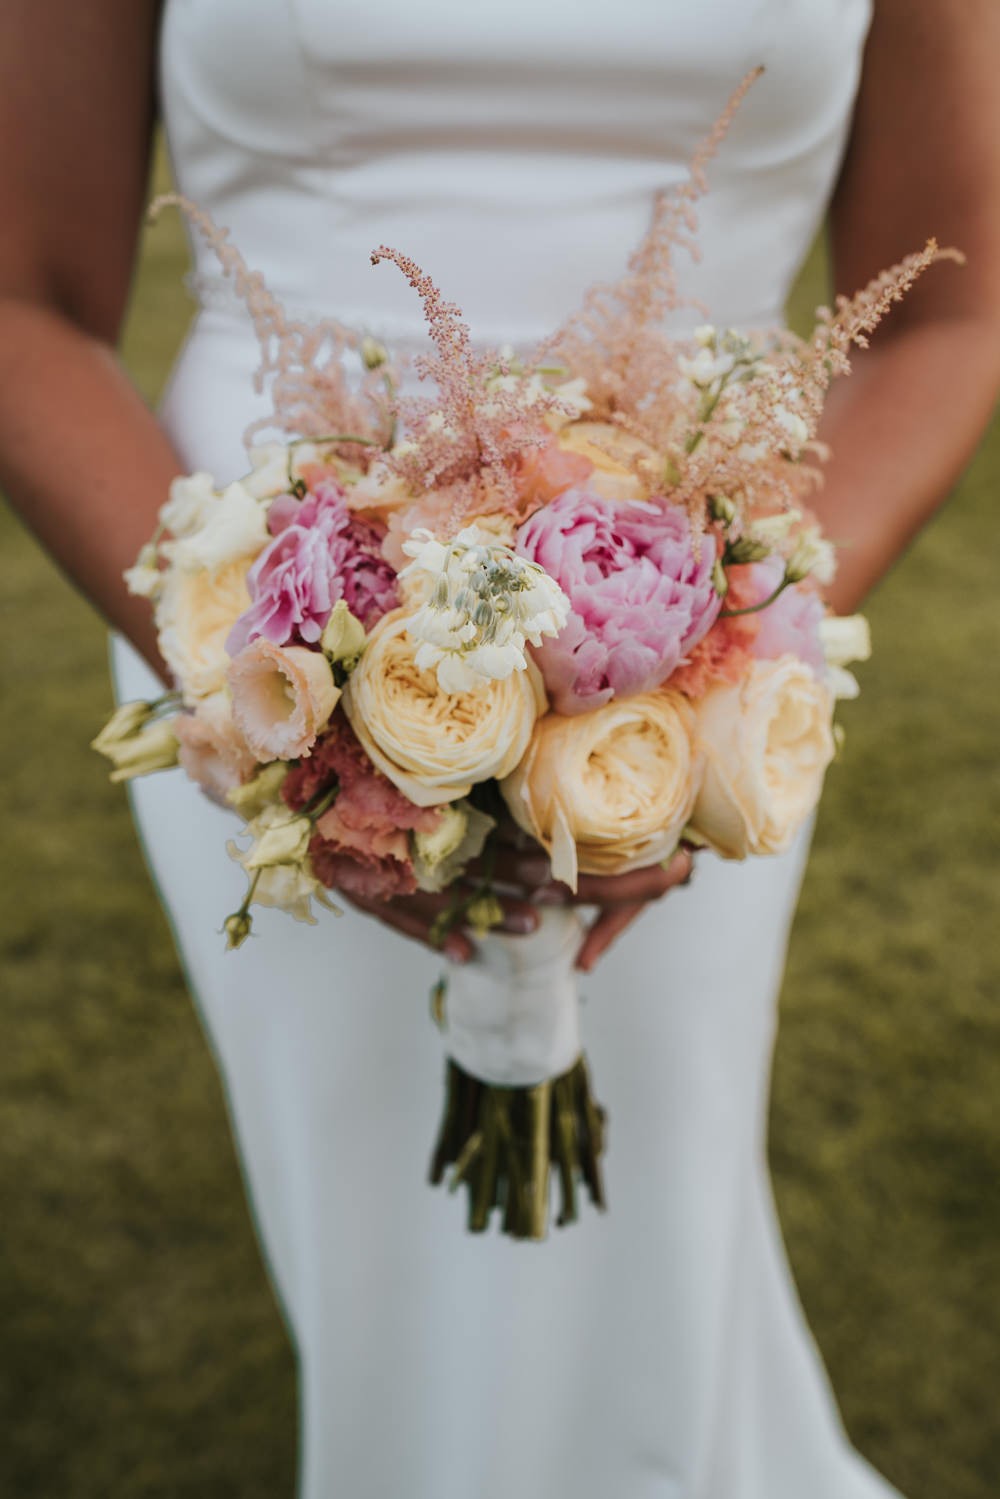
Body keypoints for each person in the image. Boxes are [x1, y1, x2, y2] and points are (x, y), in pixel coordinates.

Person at [2, 3, 998, 1496]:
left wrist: (720, 650)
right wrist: (284, 704)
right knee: (392, 1264)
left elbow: (952, 306)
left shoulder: (715, 639)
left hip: (704, 599)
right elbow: (22, 294)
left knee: (659, 1218)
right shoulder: (265, 671)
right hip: (263, 626)